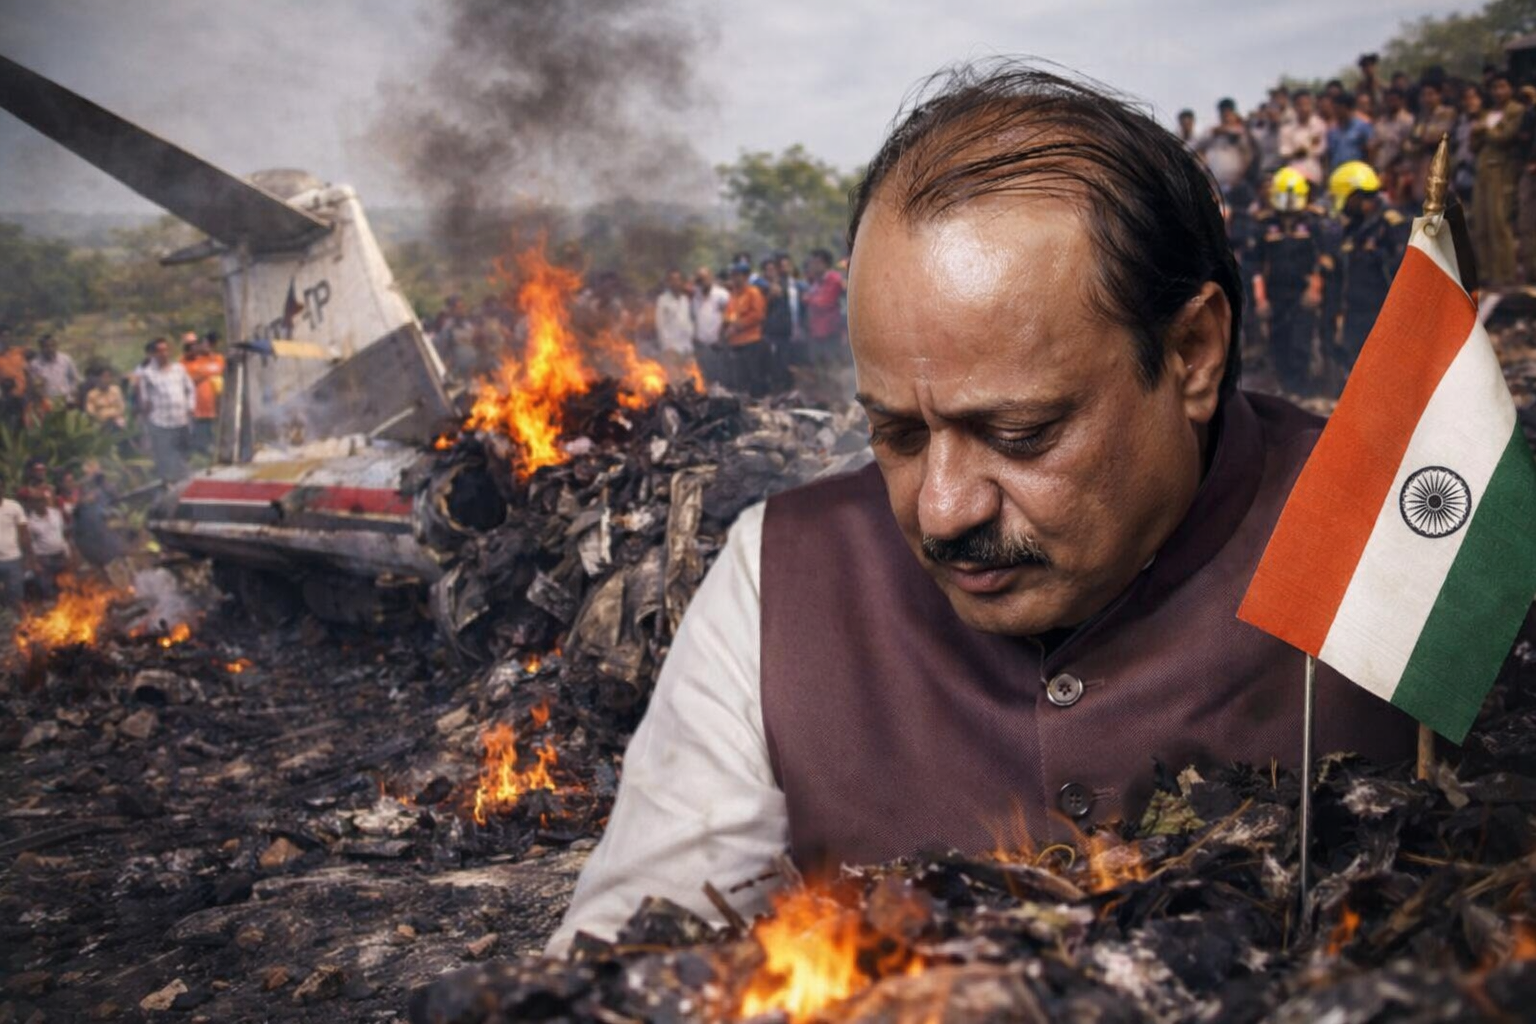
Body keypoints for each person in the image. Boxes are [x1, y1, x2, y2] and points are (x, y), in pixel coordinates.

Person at [549, 60, 1415, 950]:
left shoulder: (1416, 539)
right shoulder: (779, 580)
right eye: (898, 434)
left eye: (1021, 432)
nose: (942, 511)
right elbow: (615, 970)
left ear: (1192, 351)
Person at [1330, 164, 1410, 372]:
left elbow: (1404, 269)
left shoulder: (1391, 225)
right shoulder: (1352, 228)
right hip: (1354, 314)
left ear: (1356, 197)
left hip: (1383, 313)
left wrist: (1376, 255)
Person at [1252, 168, 1325, 394]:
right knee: (1278, 343)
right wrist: (1260, 299)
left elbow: (1320, 261)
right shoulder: (1264, 224)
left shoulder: (1314, 223)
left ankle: (1301, 390)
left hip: (1302, 294)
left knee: (1300, 344)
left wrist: (1314, 290)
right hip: (1275, 294)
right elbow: (1255, 266)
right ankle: (1285, 390)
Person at [1470, 73, 1526, 287]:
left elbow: (1504, 137)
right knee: (1481, 224)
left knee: (1500, 225)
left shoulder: (1516, 111)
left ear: (1511, 89)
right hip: (1482, 172)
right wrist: (1481, 132)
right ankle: (1486, 274)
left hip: (1502, 173)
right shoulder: (1487, 113)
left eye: (1502, 86)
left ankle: (1505, 275)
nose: (1498, 92)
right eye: (1494, 87)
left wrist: (1485, 130)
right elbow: (1474, 145)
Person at [135, 337, 196, 481]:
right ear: (153, 354)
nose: (164, 354)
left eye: (166, 350)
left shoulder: (179, 369)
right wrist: (146, 423)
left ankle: (185, 483)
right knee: (165, 458)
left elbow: (190, 389)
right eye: (159, 351)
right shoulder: (147, 374)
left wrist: (191, 406)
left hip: (181, 420)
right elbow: (144, 400)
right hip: (161, 423)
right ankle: (168, 485)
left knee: (184, 456)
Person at [1405, 81, 1459, 203]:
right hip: (1422, 169)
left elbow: (1436, 137)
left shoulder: (1448, 113)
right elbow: (1408, 145)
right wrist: (1418, 142)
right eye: (1423, 95)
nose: (1427, 99)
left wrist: (1419, 141)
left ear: (1439, 95)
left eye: (1431, 94)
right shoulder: (1421, 117)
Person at [722, 262, 769, 396]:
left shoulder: (753, 293)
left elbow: (758, 315)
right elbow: (729, 313)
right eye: (733, 275)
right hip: (736, 343)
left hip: (751, 341)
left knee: (755, 376)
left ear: (746, 276)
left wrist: (737, 326)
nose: (734, 278)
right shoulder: (733, 295)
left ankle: (758, 404)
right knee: (740, 377)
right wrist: (727, 324)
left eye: (738, 275)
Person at [1195, 97, 1255, 197]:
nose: (1225, 116)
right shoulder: (1212, 132)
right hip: (1214, 185)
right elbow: (1194, 147)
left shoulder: (1242, 133)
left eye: (1228, 112)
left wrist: (1240, 178)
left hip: (1236, 185)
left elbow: (1248, 156)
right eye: (1223, 112)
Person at [802, 247, 848, 375]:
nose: (812, 266)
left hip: (830, 332)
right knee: (819, 368)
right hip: (816, 332)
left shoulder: (833, 279)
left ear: (824, 264)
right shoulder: (816, 282)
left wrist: (808, 298)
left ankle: (837, 394)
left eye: (815, 263)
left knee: (832, 368)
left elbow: (824, 302)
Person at [19, 485, 69, 599]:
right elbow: (28, 544)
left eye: (42, 500)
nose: (40, 503)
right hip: (44, 560)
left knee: (65, 586)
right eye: (37, 501)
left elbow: (64, 534)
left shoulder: (55, 513)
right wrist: (34, 563)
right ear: (32, 504)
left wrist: (68, 552)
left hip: (60, 555)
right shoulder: (30, 522)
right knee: (46, 589)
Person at [181, 336, 225, 452]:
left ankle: (214, 449)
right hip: (197, 406)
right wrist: (204, 374)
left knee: (214, 430)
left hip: (214, 403)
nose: (193, 349)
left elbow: (220, 369)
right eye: (190, 347)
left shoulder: (214, 359)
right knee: (200, 433)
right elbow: (188, 380)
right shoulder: (185, 362)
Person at [690, 267, 730, 387]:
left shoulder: (722, 295)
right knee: (704, 377)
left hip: (717, 344)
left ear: (711, 278)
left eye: (705, 278)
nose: (703, 281)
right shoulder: (695, 296)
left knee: (719, 377)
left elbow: (729, 316)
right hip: (700, 345)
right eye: (700, 279)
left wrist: (722, 337)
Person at [0, 474, 33, 610]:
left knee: (15, 596)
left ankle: (18, 626)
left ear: (3, 487)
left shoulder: (13, 507)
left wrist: (28, 558)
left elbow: (24, 534)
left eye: (0, 486)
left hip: (13, 560)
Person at [1281, 89, 1328, 185]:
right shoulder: (1287, 130)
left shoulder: (1318, 125)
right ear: (1294, 107)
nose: (1304, 108)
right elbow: (1285, 152)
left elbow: (1317, 148)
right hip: (1293, 176)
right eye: (1300, 105)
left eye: (1307, 104)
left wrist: (1300, 151)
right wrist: (1302, 151)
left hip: (1313, 175)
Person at [1371, 87, 1415, 180]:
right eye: (1389, 100)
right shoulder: (1380, 122)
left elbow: (1408, 147)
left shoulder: (1408, 121)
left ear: (1401, 101)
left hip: (1399, 172)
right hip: (1380, 171)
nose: (1391, 103)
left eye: (1394, 100)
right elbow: (1373, 145)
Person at [654, 269, 695, 365]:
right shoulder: (662, 300)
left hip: (687, 348)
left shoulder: (685, 299)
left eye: (678, 279)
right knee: (676, 379)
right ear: (668, 282)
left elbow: (687, 320)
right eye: (673, 280)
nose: (676, 282)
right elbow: (660, 326)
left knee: (690, 377)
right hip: (672, 349)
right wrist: (667, 347)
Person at [28, 334, 80, 406]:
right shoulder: (35, 364)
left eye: (52, 345)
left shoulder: (65, 359)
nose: (50, 349)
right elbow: (35, 386)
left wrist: (72, 394)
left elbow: (74, 378)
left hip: (66, 401)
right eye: (46, 346)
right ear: (41, 347)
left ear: (56, 346)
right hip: (47, 403)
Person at [1325, 92, 1374, 169]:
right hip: (1337, 173)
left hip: (1355, 173)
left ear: (1347, 108)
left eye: (1338, 108)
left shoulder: (1362, 127)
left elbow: (1370, 150)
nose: (1335, 111)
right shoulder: (1332, 130)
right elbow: (1329, 154)